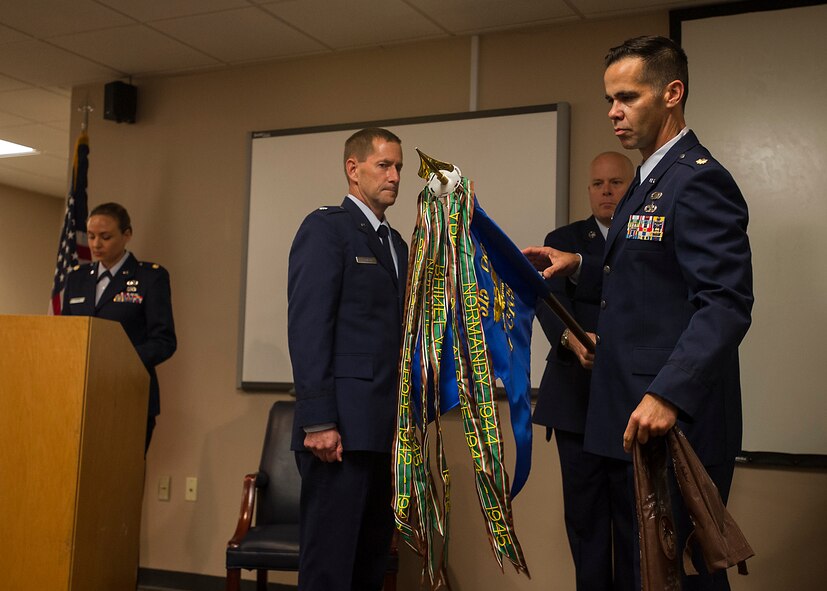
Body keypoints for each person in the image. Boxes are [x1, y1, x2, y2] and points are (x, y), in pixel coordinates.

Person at [525, 36, 753, 590]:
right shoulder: (646, 181)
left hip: (672, 420)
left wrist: (669, 392)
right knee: (640, 570)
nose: (613, 112)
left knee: (678, 575)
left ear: (672, 93)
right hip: (625, 412)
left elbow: (724, 302)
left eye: (627, 96)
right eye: (609, 99)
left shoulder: (697, 178)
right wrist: (580, 267)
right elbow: (650, 287)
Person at [287, 128, 407, 591]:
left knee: (369, 562)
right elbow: (309, 327)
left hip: (382, 428)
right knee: (329, 567)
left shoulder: (395, 243)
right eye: (384, 165)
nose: (395, 176)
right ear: (353, 170)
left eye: (398, 167)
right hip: (337, 430)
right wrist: (318, 419)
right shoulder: (326, 228)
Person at [532, 151, 634, 590]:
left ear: (633, 187)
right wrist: (572, 341)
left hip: (632, 402)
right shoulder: (565, 237)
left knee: (635, 523)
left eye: (616, 183)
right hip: (576, 400)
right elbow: (547, 300)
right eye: (598, 183)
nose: (606, 191)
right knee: (586, 521)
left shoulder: (645, 238)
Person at [62, 202, 177, 453]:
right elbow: (65, 335)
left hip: (128, 394)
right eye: (91, 236)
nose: (96, 245)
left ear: (127, 235)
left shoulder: (150, 277)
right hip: (79, 394)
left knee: (119, 478)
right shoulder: (77, 278)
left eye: (105, 237)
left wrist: (119, 359)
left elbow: (164, 341)